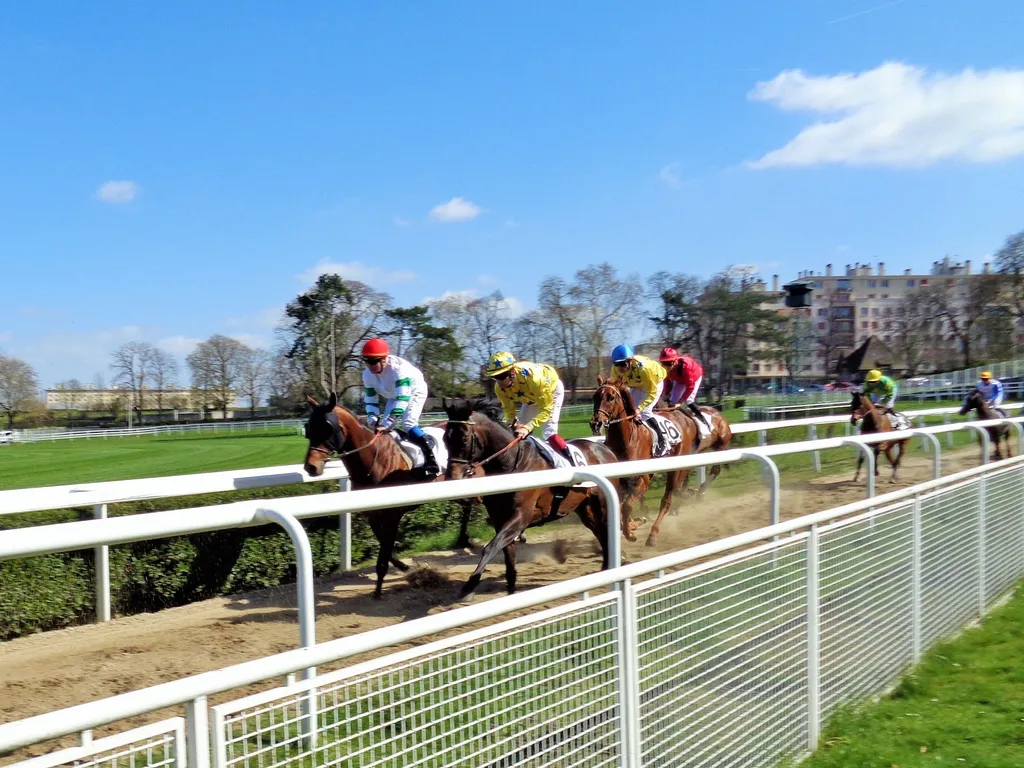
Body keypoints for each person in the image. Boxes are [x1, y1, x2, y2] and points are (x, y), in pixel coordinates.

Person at [360, 338, 439, 476]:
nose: (370, 366)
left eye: (373, 361)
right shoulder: (367, 375)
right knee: (384, 428)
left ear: (384, 359)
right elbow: (371, 400)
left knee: (408, 423)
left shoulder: (399, 370)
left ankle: (431, 459)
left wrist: (386, 423)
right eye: (366, 361)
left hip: (414, 391)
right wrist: (373, 420)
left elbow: (403, 399)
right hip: (394, 395)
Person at [484, 351, 575, 463]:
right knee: (517, 432)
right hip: (530, 399)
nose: (499, 381)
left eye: (502, 376)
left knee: (548, 431)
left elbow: (545, 409)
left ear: (512, 371)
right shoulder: (499, 388)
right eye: (495, 377)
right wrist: (510, 424)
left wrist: (528, 427)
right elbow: (509, 411)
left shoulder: (534, 379)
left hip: (551, 392)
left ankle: (572, 463)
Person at [608, 344, 669, 454]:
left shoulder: (644, 369)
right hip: (637, 385)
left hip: (654, 384)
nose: (620, 368)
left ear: (631, 360)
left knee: (644, 412)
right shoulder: (615, 369)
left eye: (623, 364)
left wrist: (639, 408)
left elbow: (652, 392)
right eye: (617, 364)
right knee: (626, 411)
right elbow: (615, 388)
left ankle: (662, 441)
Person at [658, 347, 712, 435]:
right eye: (663, 363)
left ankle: (705, 422)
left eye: (668, 363)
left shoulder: (686, 367)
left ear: (675, 361)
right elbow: (667, 381)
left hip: (694, 377)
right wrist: (667, 393)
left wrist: (681, 401)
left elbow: (690, 387)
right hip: (680, 380)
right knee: (672, 402)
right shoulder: (664, 368)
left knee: (688, 400)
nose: (666, 366)